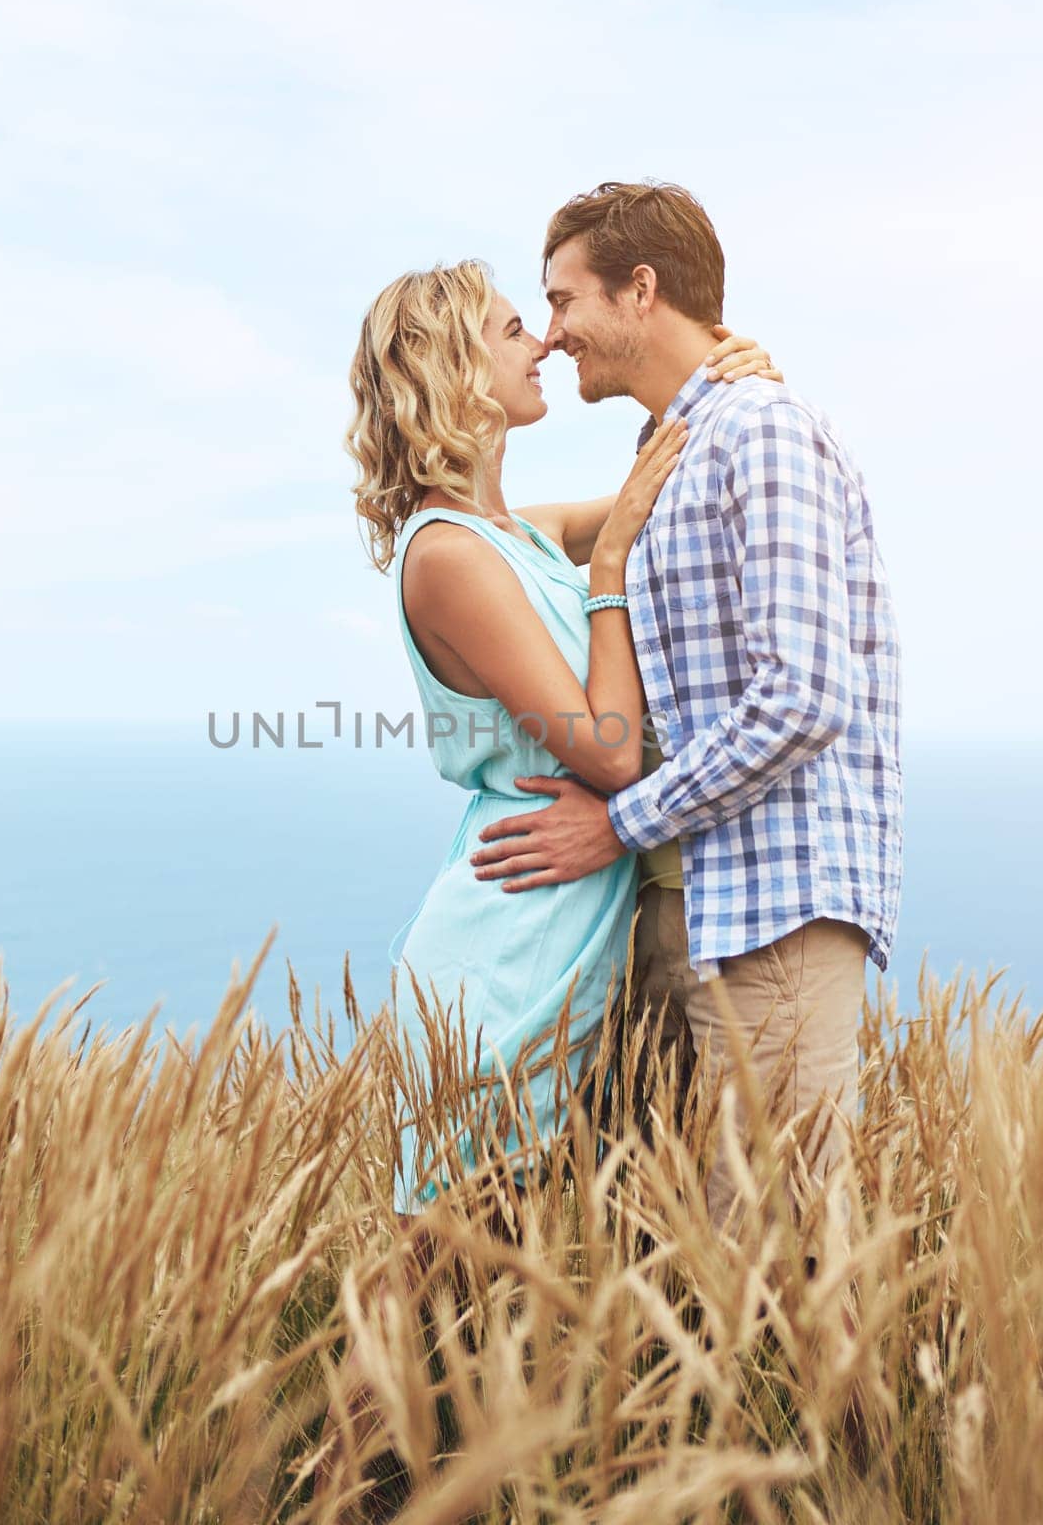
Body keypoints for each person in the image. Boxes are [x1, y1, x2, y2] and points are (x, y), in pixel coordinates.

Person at [319, 258, 779, 1499]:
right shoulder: (448, 558)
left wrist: (708, 379)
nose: (539, 345)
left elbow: (628, 491)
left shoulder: (508, 533)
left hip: (555, 942)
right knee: (435, 1288)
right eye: (514, 329)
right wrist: (617, 566)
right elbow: (611, 751)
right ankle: (309, 1492)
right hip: (502, 956)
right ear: (451, 372)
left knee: (484, 1296)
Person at [467, 181, 903, 1240]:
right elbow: (481, 538)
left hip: (772, 913)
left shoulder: (762, 435)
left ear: (639, 290)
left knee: (778, 1264)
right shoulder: (670, 450)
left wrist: (612, 823)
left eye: (564, 300)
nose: (554, 330)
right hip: (681, 903)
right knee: (676, 1254)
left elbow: (800, 698)